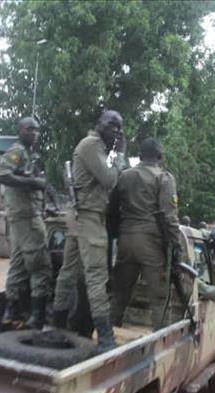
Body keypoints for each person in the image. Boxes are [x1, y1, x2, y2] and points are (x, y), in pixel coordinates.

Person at [51, 110, 128, 349]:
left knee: (68, 272)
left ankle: (58, 325)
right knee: (96, 276)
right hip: (88, 218)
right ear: (99, 124)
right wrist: (121, 153)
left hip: (81, 217)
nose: (116, 131)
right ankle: (105, 336)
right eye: (112, 125)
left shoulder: (97, 147)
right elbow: (109, 179)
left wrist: (114, 154)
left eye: (119, 128)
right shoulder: (92, 144)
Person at [109, 138, 182, 330]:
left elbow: (112, 210)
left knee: (119, 296)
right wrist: (177, 249)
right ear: (160, 156)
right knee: (159, 300)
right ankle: (161, 345)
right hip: (151, 244)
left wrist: (115, 235)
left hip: (125, 240)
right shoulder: (164, 178)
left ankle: (107, 337)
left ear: (140, 156)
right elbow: (169, 218)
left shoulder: (124, 176)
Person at [0, 117, 53, 329]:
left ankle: (12, 311)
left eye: (37, 129)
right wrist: (32, 182)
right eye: (30, 129)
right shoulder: (17, 151)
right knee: (41, 265)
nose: (34, 133)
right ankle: (38, 316)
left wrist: (42, 186)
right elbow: (2, 174)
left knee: (18, 264)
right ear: (20, 130)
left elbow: (37, 181)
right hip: (27, 216)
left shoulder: (29, 155)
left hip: (22, 215)